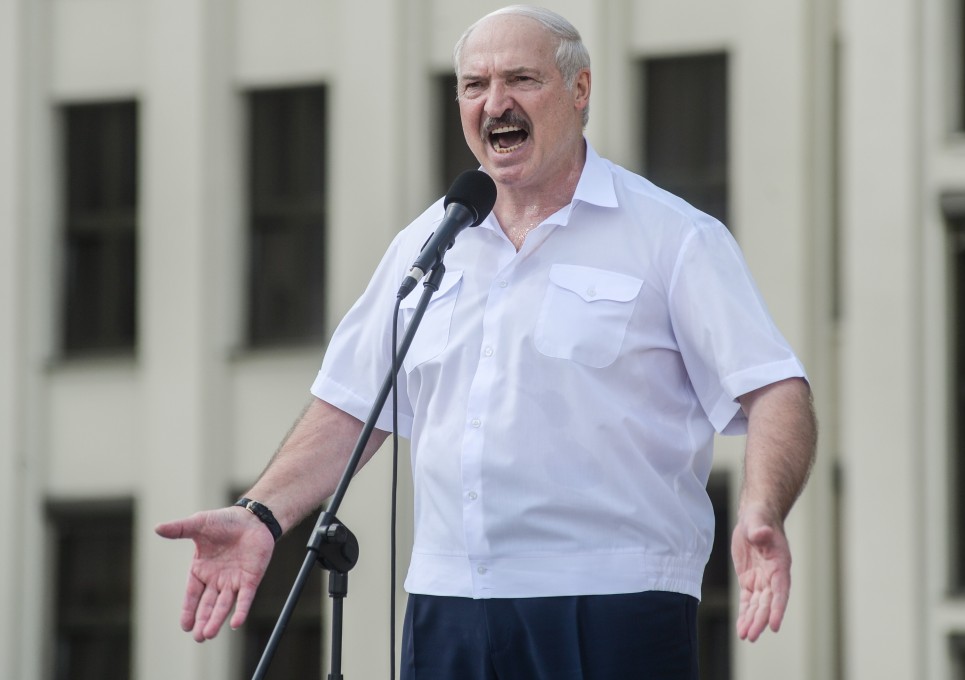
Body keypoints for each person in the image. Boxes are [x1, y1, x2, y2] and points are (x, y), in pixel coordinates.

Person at [156, 5, 817, 679]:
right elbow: (352, 404)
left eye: (521, 79)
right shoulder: (427, 244)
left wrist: (762, 508)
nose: (494, 102)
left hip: (612, 604)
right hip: (449, 607)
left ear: (579, 90)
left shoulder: (672, 237)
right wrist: (260, 514)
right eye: (474, 86)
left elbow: (775, 389)